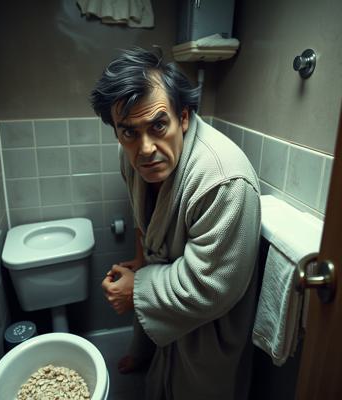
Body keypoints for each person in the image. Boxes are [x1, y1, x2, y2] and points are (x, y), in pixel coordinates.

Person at [90, 47, 261, 400]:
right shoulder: (129, 156)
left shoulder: (224, 181)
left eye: (158, 125)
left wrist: (136, 290)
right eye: (129, 132)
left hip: (209, 326)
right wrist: (141, 259)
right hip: (166, 301)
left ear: (183, 117)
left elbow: (212, 286)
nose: (145, 148)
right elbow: (144, 219)